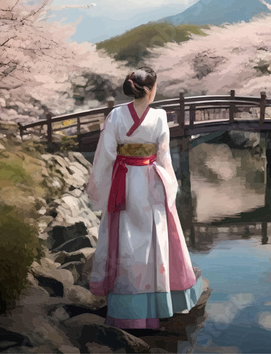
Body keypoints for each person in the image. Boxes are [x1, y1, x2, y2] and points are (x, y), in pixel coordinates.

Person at [86, 66, 203, 330]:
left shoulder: (116, 115)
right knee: (156, 241)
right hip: (151, 181)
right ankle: (159, 304)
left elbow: (105, 156)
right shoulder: (160, 117)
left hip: (123, 182)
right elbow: (164, 157)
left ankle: (128, 308)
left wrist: (99, 188)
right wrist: (170, 188)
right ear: (150, 89)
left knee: (126, 243)